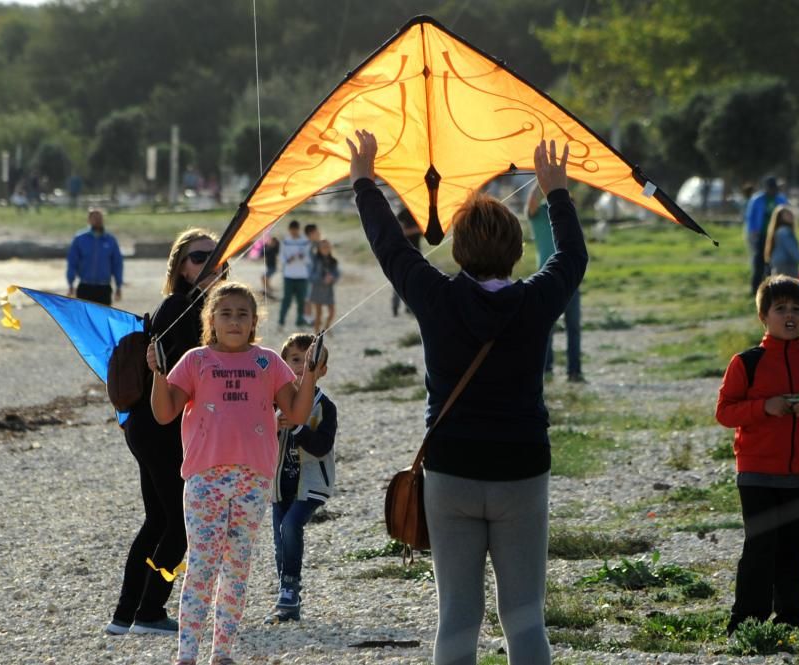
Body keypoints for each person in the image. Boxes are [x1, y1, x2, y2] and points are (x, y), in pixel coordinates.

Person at [348, 130, 587, 665]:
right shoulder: (537, 300)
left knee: (457, 615)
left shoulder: (435, 297)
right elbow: (572, 255)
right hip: (521, 470)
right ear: (516, 250)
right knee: (525, 616)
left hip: (451, 470)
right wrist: (556, 192)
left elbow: (391, 247)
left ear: (458, 249)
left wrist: (365, 181)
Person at [149, 282, 323, 665]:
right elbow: (164, 412)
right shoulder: (196, 360)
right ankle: (186, 655)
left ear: (253, 322)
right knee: (202, 566)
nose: (234, 320)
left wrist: (309, 373)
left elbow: (295, 413)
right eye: (225, 313)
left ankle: (222, 653)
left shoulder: (267, 362)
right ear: (210, 320)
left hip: (253, 479)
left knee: (237, 565)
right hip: (205, 479)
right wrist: (159, 373)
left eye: (243, 314)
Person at [105, 228, 226, 637]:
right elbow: (200, 374)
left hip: (151, 426)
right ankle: (150, 611)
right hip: (160, 428)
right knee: (181, 522)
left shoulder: (200, 306)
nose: (210, 265)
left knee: (158, 520)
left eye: (217, 258)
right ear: (179, 267)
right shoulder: (182, 306)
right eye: (199, 258)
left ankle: (126, 615)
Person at [716, 275, 799, 635]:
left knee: (792, 550)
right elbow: (725, 412)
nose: (790, 316)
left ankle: (789, 618)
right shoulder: (747, 362)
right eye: (780, 309)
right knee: (760, 548)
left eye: (797, 309)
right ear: (763, 316)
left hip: (798, 473)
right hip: (755, 472)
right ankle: (746, 621)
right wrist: (764, 408)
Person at [269, 333, 337, 623]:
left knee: (291, 524)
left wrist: (297, 428)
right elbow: (256, 438)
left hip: (312, 484)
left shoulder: (324, 407)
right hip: (277, 484)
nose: (301, 367)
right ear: (282, 364)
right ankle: (288, 597)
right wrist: (273, 424)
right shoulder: (272, 402)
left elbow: (322, 446)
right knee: (279, 538)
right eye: (295, 360)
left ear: (321, 370)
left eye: (310, 362)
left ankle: (290, 585)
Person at [526, 185, 584, 382]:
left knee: (573, 327)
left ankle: (574, 371)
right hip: (547, 279)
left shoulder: (568, 218)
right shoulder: (541, 213)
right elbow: (531, 204)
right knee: (546, 328)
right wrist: (541, 182)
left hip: (571, 279)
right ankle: (546, 369)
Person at [66, 208, 124, 306]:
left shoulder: (110, 240)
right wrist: (70, 283)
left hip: (104, 289)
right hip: (85, 287)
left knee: (102, 319)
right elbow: (72, 262)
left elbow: (117, 264)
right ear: (89, 220)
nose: (97, 220)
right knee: (84, 320)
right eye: (94, 218)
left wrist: (118, 286)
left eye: (100, 217)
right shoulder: (80, 239)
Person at [744, 176, 788, 296]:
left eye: (774, 188)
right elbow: (750, 218)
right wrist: (752, 233)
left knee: (773, 263)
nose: (773, 191)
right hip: (761, 235)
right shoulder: (757, 199)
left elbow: (787, 215)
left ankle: (770, 289)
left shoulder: (781, 199)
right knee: (759, 262)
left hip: (776, 236)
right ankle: (755, 290)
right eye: (770, 188)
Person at [278, 220, 312, 327]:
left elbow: (309, 259)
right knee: (286, 299)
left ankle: (300, 321)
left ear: (298, 229)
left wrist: (303, 257)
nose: (293, 232)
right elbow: (281, 257)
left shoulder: (305, 241)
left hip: (302, 275)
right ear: (289, 230)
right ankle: (281, 321)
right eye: (292, 230)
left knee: (301, 300)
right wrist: (288, 260)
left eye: (295, 230)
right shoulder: (285, 241)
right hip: (288, 275)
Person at [391, 208, 423, 316]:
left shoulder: (420, 214)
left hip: (416, 253)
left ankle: (409, 307)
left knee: (414, 281)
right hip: (403, 253)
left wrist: (419, 229)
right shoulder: (402, 213)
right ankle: (395, 306)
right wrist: (416, 229)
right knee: (400, 280)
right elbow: (399, 231)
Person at [763, 205, 799, 278]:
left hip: (779, 264)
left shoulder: (778, 231)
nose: (791, 215)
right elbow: (791, 248)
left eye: (790, 213)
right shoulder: (784, 231)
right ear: (780, 218)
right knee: (790, 287)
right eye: (787, 214)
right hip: (787, 265)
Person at [306, 239, 339, 334]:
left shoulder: (333, 261)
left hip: (329, 290)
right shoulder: (315, 260)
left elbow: (337, 274)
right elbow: (311, 276)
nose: (325, 249)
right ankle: (316, 335)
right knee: (318, 314)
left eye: (327, 247)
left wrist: (332, 278)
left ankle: (326, 328)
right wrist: (315, 241)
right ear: (319, 249)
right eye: (323, 247)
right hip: (317, 289)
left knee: (332, 312)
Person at [261, 235, 280, 300]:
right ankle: (268, 290)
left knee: (264, 277)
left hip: (272, 267)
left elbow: (275, 249)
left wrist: (271, 244)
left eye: (273, 242)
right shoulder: (269, 248)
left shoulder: (275, 249)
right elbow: (264, 252)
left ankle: (268, 290)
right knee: (265, 278)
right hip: (270, 267)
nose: (271, 242)